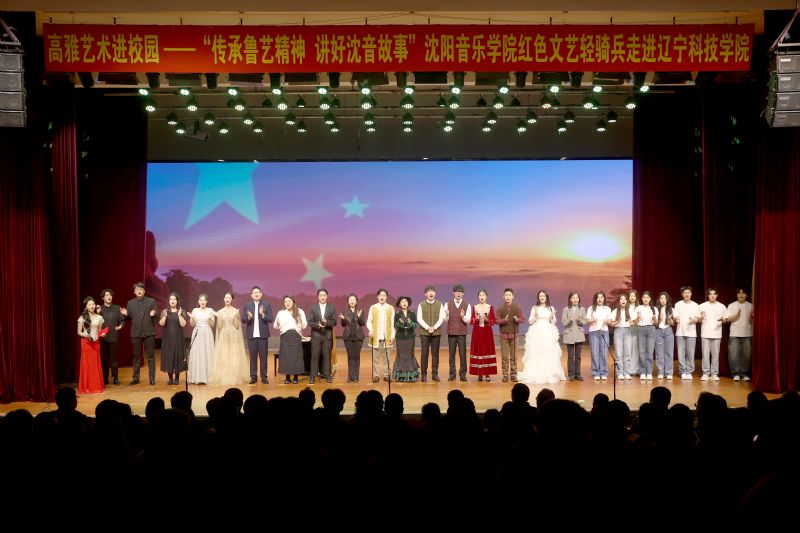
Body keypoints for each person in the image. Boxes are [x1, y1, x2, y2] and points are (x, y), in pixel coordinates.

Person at [518, 290, 566, 384]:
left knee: (548, 351)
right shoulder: (535, 308)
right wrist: (535, 316)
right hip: (537, 331)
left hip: (548, 331)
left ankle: (550, 373)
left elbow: (554, 322)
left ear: (546, 297)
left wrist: (552, 316)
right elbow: (530, 321)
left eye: (543, 296)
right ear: (538, 297)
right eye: (540, 296)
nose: (542, 297)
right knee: (537, 352)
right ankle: (536, 373)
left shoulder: (551, 308)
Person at [208, 292, 250, 386]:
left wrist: (236, 317)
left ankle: (234, 377)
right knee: (224, 357)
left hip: (233, 335)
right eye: (226, 298)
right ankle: (224, 376)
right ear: (224, 299)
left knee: (234, 356)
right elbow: (219, 327)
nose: (227, 299)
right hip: (223, 335)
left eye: (229, 298)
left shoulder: (235, 311)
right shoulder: (220, 311)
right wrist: (219, 318)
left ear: (232, 300)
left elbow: (237, 326)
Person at [121, 282, 158, 385]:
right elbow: (128, 318)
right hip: (136, 333)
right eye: (137, 289)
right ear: (134, 292)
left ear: (144, 291)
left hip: (149, 332)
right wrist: (125, 314)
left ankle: (152, 378)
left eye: (141, 289)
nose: (139, 291)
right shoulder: (130, 303)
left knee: (150, 356)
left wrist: (154, 313)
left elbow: (156, 313)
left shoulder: (151, 301)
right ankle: (136, 378)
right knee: (136, 356)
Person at [241, 286, 273, 385]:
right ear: (251, 295)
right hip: (251, 336)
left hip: (263, 336)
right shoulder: (247, 305)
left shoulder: (266, 304)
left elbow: (270, 319)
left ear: (261, 294)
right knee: (253, 358)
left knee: (263, 357)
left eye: (258, 292)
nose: (256, 294)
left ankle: (264, 377)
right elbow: (243, 320)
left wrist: (263, 314)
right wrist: (248, 317)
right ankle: (253, 377)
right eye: (254, 292)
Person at [273, 295, 307, 384]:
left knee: (296, 356)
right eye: (285, 302)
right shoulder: (281, 313)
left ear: (293, 302)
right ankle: (287, 377)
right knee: (286, 357)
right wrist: (278, 323)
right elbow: (275, 326)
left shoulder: (299, 311)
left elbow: (304, 325)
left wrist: (299, 320)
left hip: (296, 336)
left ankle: (295, 377)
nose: (287, 303)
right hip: (285, 336)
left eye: (289, 301)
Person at [307, 288, 337, 384]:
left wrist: (327, 322)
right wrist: (317, 325)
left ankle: (328, 376)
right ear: (318, 297)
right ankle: (312, 377)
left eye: (324, 295)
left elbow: (334, 322)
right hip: (316, 336)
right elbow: (309, 322)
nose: (322, 297)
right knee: (314, 357)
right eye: (320, 295)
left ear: (327, 296)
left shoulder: (332, 307)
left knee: (327, 357)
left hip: (327, 336)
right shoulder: (313, 307)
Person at [698, 288, 728, 381]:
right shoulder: (702, 306)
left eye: (714, 294)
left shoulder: (722, 306)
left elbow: (725, 319)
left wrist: (724, 320)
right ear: (708, 295)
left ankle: (714, 373)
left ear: (717, 295)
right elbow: (698, 320)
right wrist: (701, 317)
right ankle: (705, 373)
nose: (712, 296)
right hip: (705, 333)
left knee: (715, 355)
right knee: (705, 355)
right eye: (710, 294)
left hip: (717, 333)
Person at [417, 285, 445, 382]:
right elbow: (419, 318)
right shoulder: (421, 304)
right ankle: (424, 374)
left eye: (432, 291)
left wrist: (434, 327)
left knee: (435, 354)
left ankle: (435, 374)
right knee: (424, 354)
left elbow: (441, 318)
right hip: (424, 333)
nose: (431, 293)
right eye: (429, 292)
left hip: (436, 333)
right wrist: (427, 327)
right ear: (425, 294)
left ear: (435, 293)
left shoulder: (439, 304)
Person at [77, 296, 105, 394]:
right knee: (87, 364)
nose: (92, 306)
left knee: (95, 364)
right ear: (86, 306)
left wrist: (102, 334)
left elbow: (100, 331)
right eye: (89, 305)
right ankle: (87, 386)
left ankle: (96, 386)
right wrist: (86, 335)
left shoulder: (99, 317)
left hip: (96, 343)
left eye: (93, 304)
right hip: (86, 343)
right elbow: (79, 332)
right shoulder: (82, 318)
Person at [496, 288, 524, 382]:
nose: (508, 297)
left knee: (514, 356)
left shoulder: (517, 307)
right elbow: (496, 320)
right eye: (506, 295)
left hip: (514, 336)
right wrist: (504, 320)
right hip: (504, 336)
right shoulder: (500, 308)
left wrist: (517, 319)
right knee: (504, 357)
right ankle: (505, 374)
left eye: (509, 295)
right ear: (503, 297)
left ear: (513, 296)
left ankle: (513, 374)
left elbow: (522, 319)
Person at [673, 286, 701, 380]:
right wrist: (675, 318)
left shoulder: (695, 305)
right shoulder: (678, 304)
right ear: (682, 294)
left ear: (691, 294)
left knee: (690, 353)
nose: (687, 294)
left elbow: (698, 319)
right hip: (680, 332)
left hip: (691, 333)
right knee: (681, 353)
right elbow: (675, 317)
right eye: (685, 292)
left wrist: (694, 320)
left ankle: (689, 371)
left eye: (688, 292)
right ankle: (682, 371)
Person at [367, 288, 395, 383]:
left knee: (387, 358)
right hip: (376, 337)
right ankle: (376, 375)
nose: (382, 297)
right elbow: (369, 321)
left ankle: (386, 375)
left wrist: (392, 336)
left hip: (387, 337)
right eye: (380, 295)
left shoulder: (390, 308)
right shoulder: (373, 307)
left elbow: (393, 323)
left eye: (384, 295)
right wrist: (371, 330)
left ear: (386, 297)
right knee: (375, 358)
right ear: (377, 297)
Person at [159, 292, 187, 385]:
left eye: (174, 299)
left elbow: (183, 324)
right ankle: (170, 378)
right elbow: (161, 324)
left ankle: (177, 378)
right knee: (168, 356)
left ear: (177, 301)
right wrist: (165, 316)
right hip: (167, 337)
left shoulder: (181, 311)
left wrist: (179, 315)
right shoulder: (165, 311)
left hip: (178, 337)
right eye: (171, 299)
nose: (172, 301)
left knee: (178, 356)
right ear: (168, 301)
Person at [97, 288, 125, 386]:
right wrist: (98, 312)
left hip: (114, 337)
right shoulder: (99, 309)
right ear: (103, 298)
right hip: (103, 338)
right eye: (107, 295)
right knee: (104, 360)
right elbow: (95, 321)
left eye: (110, 295)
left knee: (114, 360)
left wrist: (120, 326)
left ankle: (115, 378)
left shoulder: (117, 308)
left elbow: (122, 320)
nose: (109, 297)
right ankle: (105, 378)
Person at [469, 289, 497, 381]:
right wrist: (476, 318)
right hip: (477, 332)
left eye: (483, 295)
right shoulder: (475, 307)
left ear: (486, 297)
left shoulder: (490, 307)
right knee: (479, 350)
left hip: (487, 332)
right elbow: (471, 321)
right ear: (478, 297)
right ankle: (479, 373)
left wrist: (486, 319)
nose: (482, 297)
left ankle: (487, 373)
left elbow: (493, 321)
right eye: (480, 295)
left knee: (487, 351)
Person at [727, 288, 754, 382]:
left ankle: (745, 374)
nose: (741, 295)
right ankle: (736, 374)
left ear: (747, 295)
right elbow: (727, 319)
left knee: (746, 355)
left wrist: (751, 317)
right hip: (734, 333)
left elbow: (753, 320)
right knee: (733, 355)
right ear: (737, 295)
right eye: (739, 293)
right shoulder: (731, 305)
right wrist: (736, 315)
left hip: (747, 333)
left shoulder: (751, 306)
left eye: (743, 293)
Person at [187, 294, 215, 385]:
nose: (202, 302)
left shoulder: (210, 310)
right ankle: (197, 377)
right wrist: (192, 318)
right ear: (198, 301)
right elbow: (192, 324)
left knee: (207, 352)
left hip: (207, 333)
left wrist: (210, 319)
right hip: (197, 332)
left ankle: (208, 377)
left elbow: (212, 325)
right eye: (200, 300)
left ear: (207, 301)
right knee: (197, 353)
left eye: (204, 300)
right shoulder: (195, 310)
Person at [445, 284, 471, 382]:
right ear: (453, 293)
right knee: (451, 355)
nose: (458, 294)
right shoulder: (447, 304)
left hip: (461, 333)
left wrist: (463, 317)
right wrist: (447, 316)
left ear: (463, 294)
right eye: (457, 292)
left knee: (462, 355)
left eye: (460, 293)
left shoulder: (467, 305)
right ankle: (452, 374)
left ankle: (463, 374)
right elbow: (444, 319)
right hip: (451, 333)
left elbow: (468, 320)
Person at [339, 293, 366, 383]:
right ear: (348, 302)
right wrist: (343, 319)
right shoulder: (345, 311)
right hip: (348, 337)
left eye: (353, 299)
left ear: (356, 301)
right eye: (350, 300)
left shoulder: (360, 311)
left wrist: (359, 316)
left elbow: (362, 323)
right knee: (350, 357)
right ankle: (351, 376)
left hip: (358, 337)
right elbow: (343, 325)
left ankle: (356, 376)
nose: (352, 301)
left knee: (356, 357)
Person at [587, 291, 613, 380]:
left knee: (604, 353)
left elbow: (610, 321)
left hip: (604, 332)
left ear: (604, 298)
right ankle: (596, 372)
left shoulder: (607, 309)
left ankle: (604, 372)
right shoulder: (591, 308)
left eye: (601, 297)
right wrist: (592, 320)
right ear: (595, 299)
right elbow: (588, 320)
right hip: (594, 332)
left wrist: (607, 321)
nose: (600, 299)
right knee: (595, 353)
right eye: (598, 297)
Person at [393, 296, 420, 382]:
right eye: (402, 302)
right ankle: (401, 376)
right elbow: (395, 325)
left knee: (409, 355)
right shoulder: (397, 314)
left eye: (405, 301)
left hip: (410, 338)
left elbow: (416, 325)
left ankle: (410, 376)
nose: (404, 303)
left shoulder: (412, 313)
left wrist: (411, 323)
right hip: (400, 338)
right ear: (399, 304)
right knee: (401, 355)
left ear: (408, 303)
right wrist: (399, 323)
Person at [562, 292, 586, 381]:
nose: (575, 299)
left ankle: (578, 374)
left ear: (579, 299)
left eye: (577, 298)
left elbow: (584, 322)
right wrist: (570, 319)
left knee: (578, 356)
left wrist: (580, 320)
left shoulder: (582, 309)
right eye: (573, 298)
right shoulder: (566, 309)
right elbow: (564, 322)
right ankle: (571, 374)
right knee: (571, 356)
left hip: (579, 334)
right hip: (569, 334)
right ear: (570, 299)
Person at [634, 291, 658, 380]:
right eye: (644, 297)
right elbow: (634, 322)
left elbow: (656, 323)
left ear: (650, 299)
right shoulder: (638, 308)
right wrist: (638, 318)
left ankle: (649, 372)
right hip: (641, 329)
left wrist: (655, 319)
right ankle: (642, 372)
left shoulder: (654, 309)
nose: (645, 299)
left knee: (650, 352)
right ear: (641, 299)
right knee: (641, 352)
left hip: (651, 330)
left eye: (647, 297)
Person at [609, 294, 633, 379]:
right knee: (619, 353)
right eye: (621, 299)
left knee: (628, 353)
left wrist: (633, 322)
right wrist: (617, 322)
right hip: (618, 331)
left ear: (627, 301)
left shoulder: (630, 310)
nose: (623, 300)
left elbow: (633, 322)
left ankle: (626, 372)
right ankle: (620, 373)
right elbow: (611, 324)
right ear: (619, 301)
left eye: (625, 299)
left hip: (628, 331)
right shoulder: (615, 311)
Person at [655, 292, 676, 380]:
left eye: (664, 298)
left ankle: (669, 372)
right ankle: (660, 372)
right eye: (661, 298)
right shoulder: (656, 309)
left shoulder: (671, 309)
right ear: (659, 300)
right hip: (658, 331)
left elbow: (673, 324)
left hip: (668, 331)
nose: (663, 300)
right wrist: (659, 319)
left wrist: (670, 319)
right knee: (659, 353)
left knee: (669, 352)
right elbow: (655, 324)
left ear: (667, 300)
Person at [627, 290, 641, 377]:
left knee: (636, 350)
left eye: (634, 296)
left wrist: (635, 321)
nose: (632, 297)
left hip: (636, 329)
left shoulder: (639, 307)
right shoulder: (626, 307)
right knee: (628, 350)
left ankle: (636, 369)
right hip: (627, 329)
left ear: (636, 297)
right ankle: (628, 369)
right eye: (630, 296)